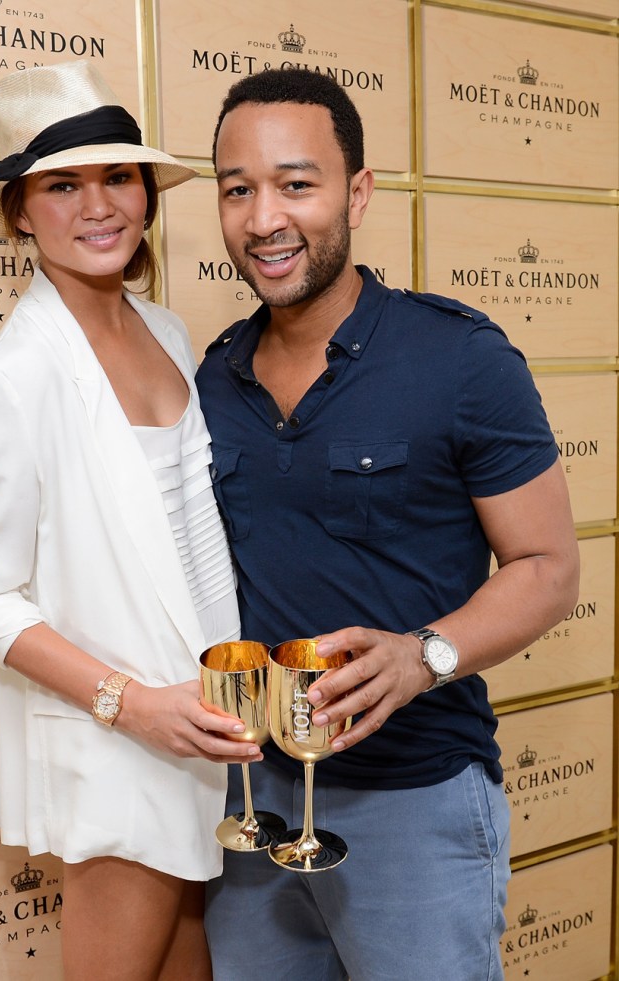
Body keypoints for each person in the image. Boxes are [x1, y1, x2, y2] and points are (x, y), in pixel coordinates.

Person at [196, 67, 579, 981]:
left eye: (297, 184)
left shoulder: (461, 358)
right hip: (252, 806)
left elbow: (549, 568)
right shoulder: (210, 377)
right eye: (237, 189)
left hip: (416, 803)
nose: (264, 219)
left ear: (357, 193)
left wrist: (423, 657)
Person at [0, 60, 263, 981]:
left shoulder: (167, 331)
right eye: (62, 184)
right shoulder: (14, 373)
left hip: (202, 719)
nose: (98, 205)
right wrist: (135, 704)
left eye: (117, 175)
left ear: (148, 194)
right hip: (114, 738)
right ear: (20, 212)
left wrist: (200, 700)